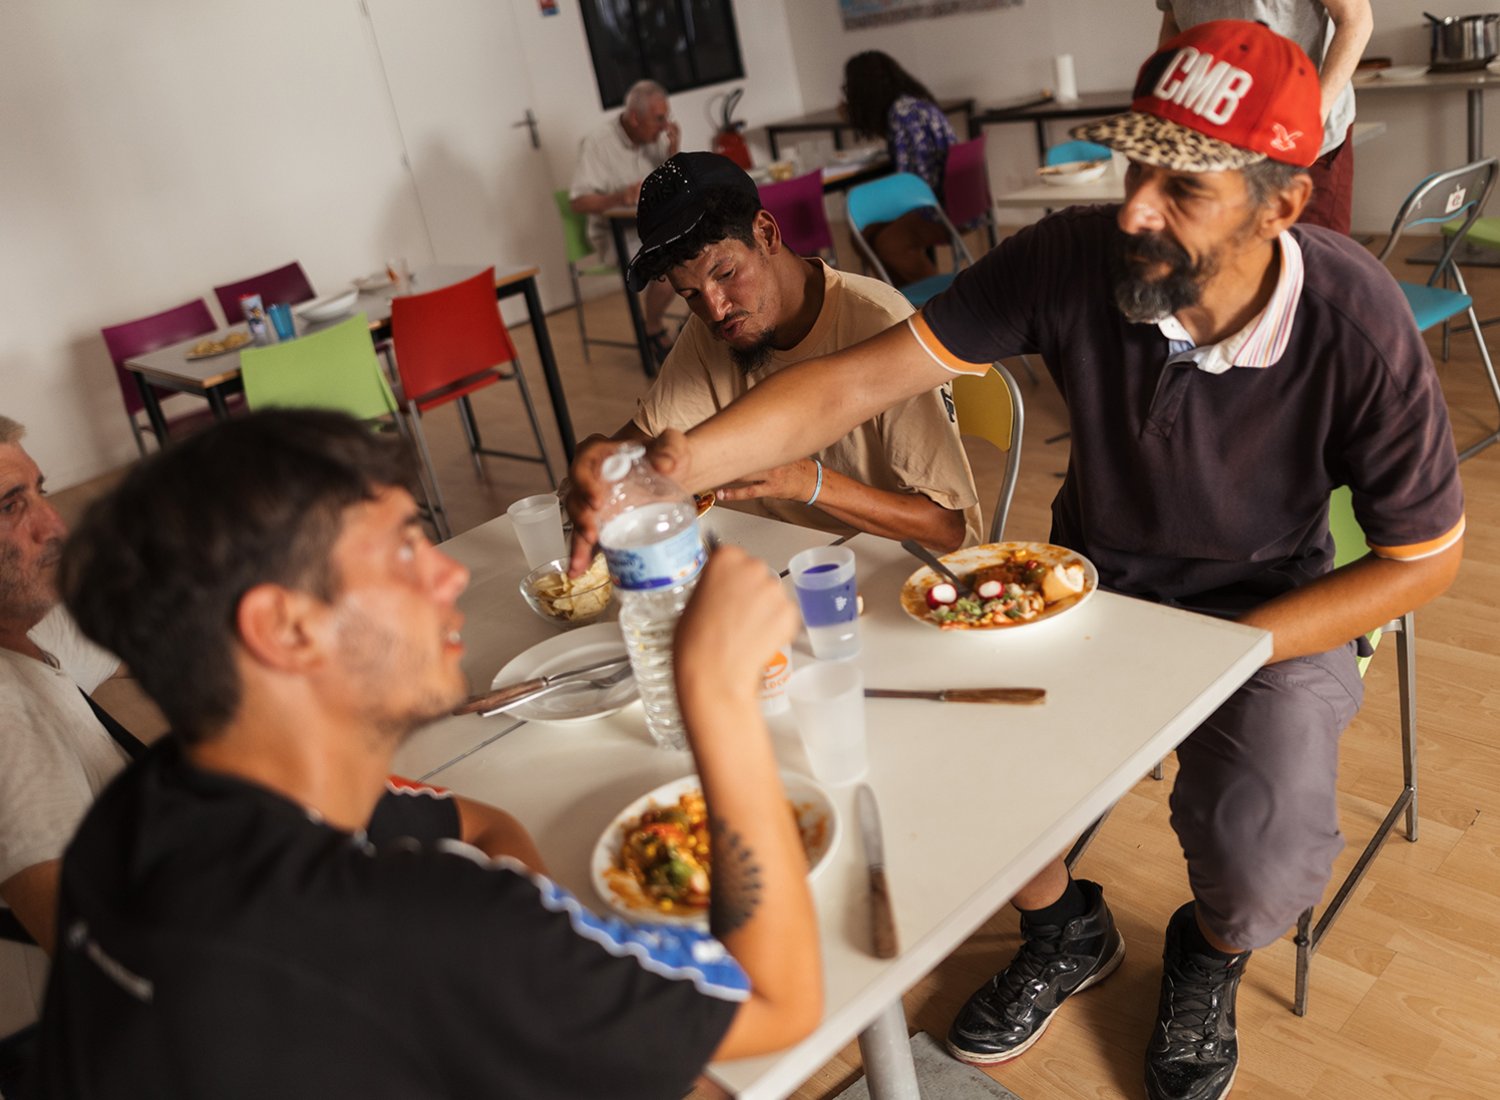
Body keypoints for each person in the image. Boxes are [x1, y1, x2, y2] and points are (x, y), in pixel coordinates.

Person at [569, 22, 1465, 1100]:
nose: (1136, 208)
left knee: (1262, 856)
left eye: (1183, 190)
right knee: (970, 769)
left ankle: (1211, 950)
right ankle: (1064, 927)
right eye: (1136, 165)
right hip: (1093, 579)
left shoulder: (1357, 323)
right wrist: (668, 463)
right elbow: (855, 381)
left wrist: (1226, 651)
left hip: (1265, 606)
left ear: (1281, 203)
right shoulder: (1077, 256)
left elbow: (1423, 558)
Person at [36, 409, 819, 1099]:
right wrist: (716, 699)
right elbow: (780, 1000)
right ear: (285, 627)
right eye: (406, 550)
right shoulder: (421, 928)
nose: (449, 573)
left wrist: (547, 968)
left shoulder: (149, 803)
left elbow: (480, 822)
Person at [607, 151, 980, 552]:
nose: (715, 309)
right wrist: (601, 459)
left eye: (727, 274)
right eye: (690, 294)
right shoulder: (714, 328)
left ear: (766, 233)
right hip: (790, 560)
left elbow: (948, 530)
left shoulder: (879, 324)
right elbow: (637, 444)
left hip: (905, 569)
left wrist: (808, 482)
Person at [0, 414, 136, 1096]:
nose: (53, 526)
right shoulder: (5, 718)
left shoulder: (22, 637)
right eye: (9, 507)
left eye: (39, 492)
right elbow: (105, 965)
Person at [1158, 0, 1374, 234]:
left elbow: (1357, 20)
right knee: (1232, 250)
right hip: (1214, 133)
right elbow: (1173, 23)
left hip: (1296, 129)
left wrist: (1312, 117)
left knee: (1312, 252)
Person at [570, 78, 684, 363]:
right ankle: (653, 327)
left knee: (709, 244)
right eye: (659, 119)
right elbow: (578, 201)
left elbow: (676, 185)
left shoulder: (654, 140)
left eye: (666, 117)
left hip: (656, 227)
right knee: (669, 261)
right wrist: (619, 197)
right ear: (635, 117)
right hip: (618, 237)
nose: (664, 126)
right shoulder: (597, 143)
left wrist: (673, 150)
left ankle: (694, 328)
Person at [843, 50, 957, 286]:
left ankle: (940, 301)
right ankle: (905, 298)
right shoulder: (911, 106)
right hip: (951, 199)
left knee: (888, 244)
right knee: (864, 236)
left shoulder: (903, 115)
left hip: (939, 207)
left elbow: (910, 184)